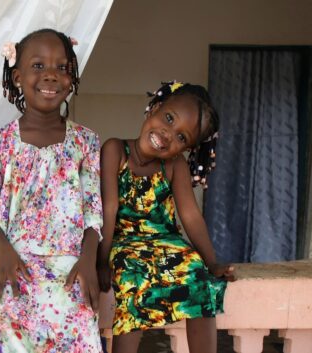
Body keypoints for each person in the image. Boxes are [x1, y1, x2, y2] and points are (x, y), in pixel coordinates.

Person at [0, 28, 103, 353]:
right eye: (38, 66)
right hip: (9, 256)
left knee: (77, 310)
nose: (51, 75)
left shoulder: (85, 141)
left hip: (69, 261)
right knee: (2, 302)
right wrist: (3, 251)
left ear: (72, 78)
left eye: (62, 67)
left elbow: (93, 214)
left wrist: (88, 261)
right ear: (17, 77)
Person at [97, 81, 236, 353]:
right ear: (155, 108)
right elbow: (108, 208)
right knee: (133, 278)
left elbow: (190, 215)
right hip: (123, 241)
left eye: (182, 137)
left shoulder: (174, 166)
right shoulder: (115, 150)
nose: (168, 134)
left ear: (186, 149)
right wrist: (101, 262)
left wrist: (211, 262)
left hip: (166, 241)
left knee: (197, 276)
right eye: (169, 118)